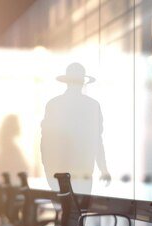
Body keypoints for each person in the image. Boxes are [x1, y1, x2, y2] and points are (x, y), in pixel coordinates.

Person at [40, 62, 111, 194]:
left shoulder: (54, 104)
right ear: (83, 82)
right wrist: (103, 169)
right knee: (79, 210)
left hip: (58, 170)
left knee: (64, 209)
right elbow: (97, 141)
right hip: (82, 170)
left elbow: (45, 140)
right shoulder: (92, 105)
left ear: (66, 82)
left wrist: (48, 169)